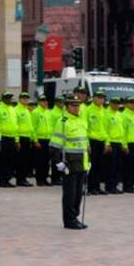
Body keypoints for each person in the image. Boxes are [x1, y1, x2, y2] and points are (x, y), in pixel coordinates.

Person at [50, 95, 90, 230]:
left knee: (78, 193)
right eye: (73, 105)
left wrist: (89, 160)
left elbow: (85, 143)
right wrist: (58, 163)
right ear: (67, 107)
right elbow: (55, 145)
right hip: (69, 163)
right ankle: (69, 220)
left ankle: (75, 217)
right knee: (70, 194)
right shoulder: (63, 122)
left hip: (82, 162)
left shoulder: (81, 121)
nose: (76, 108)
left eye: (78, 105)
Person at [84, 92, 109, 195]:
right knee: (92, 166)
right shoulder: (88, 110)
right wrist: (87, 143)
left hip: (102, 141)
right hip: (92, 140)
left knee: (100, 165)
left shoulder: (105, 111)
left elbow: (107, 129)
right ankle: (91, 187)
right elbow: (85, 128)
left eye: (102, 98)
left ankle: (98, 187)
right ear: (93, 98)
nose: (101, 100)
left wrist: (107, 143)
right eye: (98, 97)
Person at [0, 92, 19, 187]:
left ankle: (7, 179)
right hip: (2, 137)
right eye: (7, 98)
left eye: (10, 98)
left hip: (12, 137)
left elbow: (15, 125)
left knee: (10, 160)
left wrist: (16, 139)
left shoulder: (12, 109)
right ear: (3, 99)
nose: (9, 99)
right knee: (2, 160)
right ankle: (2, 180)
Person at [31, 95, 53, 186]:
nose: (45, 102)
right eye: (43, 100)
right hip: (40, 140)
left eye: (46, 100)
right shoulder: (35, 112)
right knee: (39, 161)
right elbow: (33, 127)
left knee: (47, 161)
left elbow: (51, 126)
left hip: (48, 139)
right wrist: (35, 140)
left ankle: (45, 178)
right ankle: (39, 179)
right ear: (39, 102)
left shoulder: (48, 112)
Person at [121, 98, 134, 193]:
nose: (133, 105)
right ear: (126, 104)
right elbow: (123, 132)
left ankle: (132, 185)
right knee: (128, 167)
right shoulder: (124, 116)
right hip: (129, 144)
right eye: (131, 103)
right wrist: (125, 145)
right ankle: (127, 186)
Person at [104, 98, 125, 194]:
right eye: (115, 103)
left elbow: (122, 131)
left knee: (118, 166)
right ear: (110, 103)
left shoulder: (119, 115)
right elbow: (105, 130)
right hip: (111, 142)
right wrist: (107, 143)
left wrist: (124, 144)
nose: (116, 105)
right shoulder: (106, 114)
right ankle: (109, 186)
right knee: (110, 166)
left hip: (119, 142)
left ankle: (115, 185)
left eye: (118, 104)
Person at [14, 93, 34, 186]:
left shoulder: (27, 110)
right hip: (21, 137)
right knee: (20, 160)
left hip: (27, 137)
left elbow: (30, 126)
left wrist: (32, 138)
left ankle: (23, 178)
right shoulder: (16, 110)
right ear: (19, 99)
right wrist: (17, 140)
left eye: (27, 98)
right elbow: (15, 126)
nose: (25, 100)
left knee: (26, 160)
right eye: (23, 98)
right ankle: (20, 179)